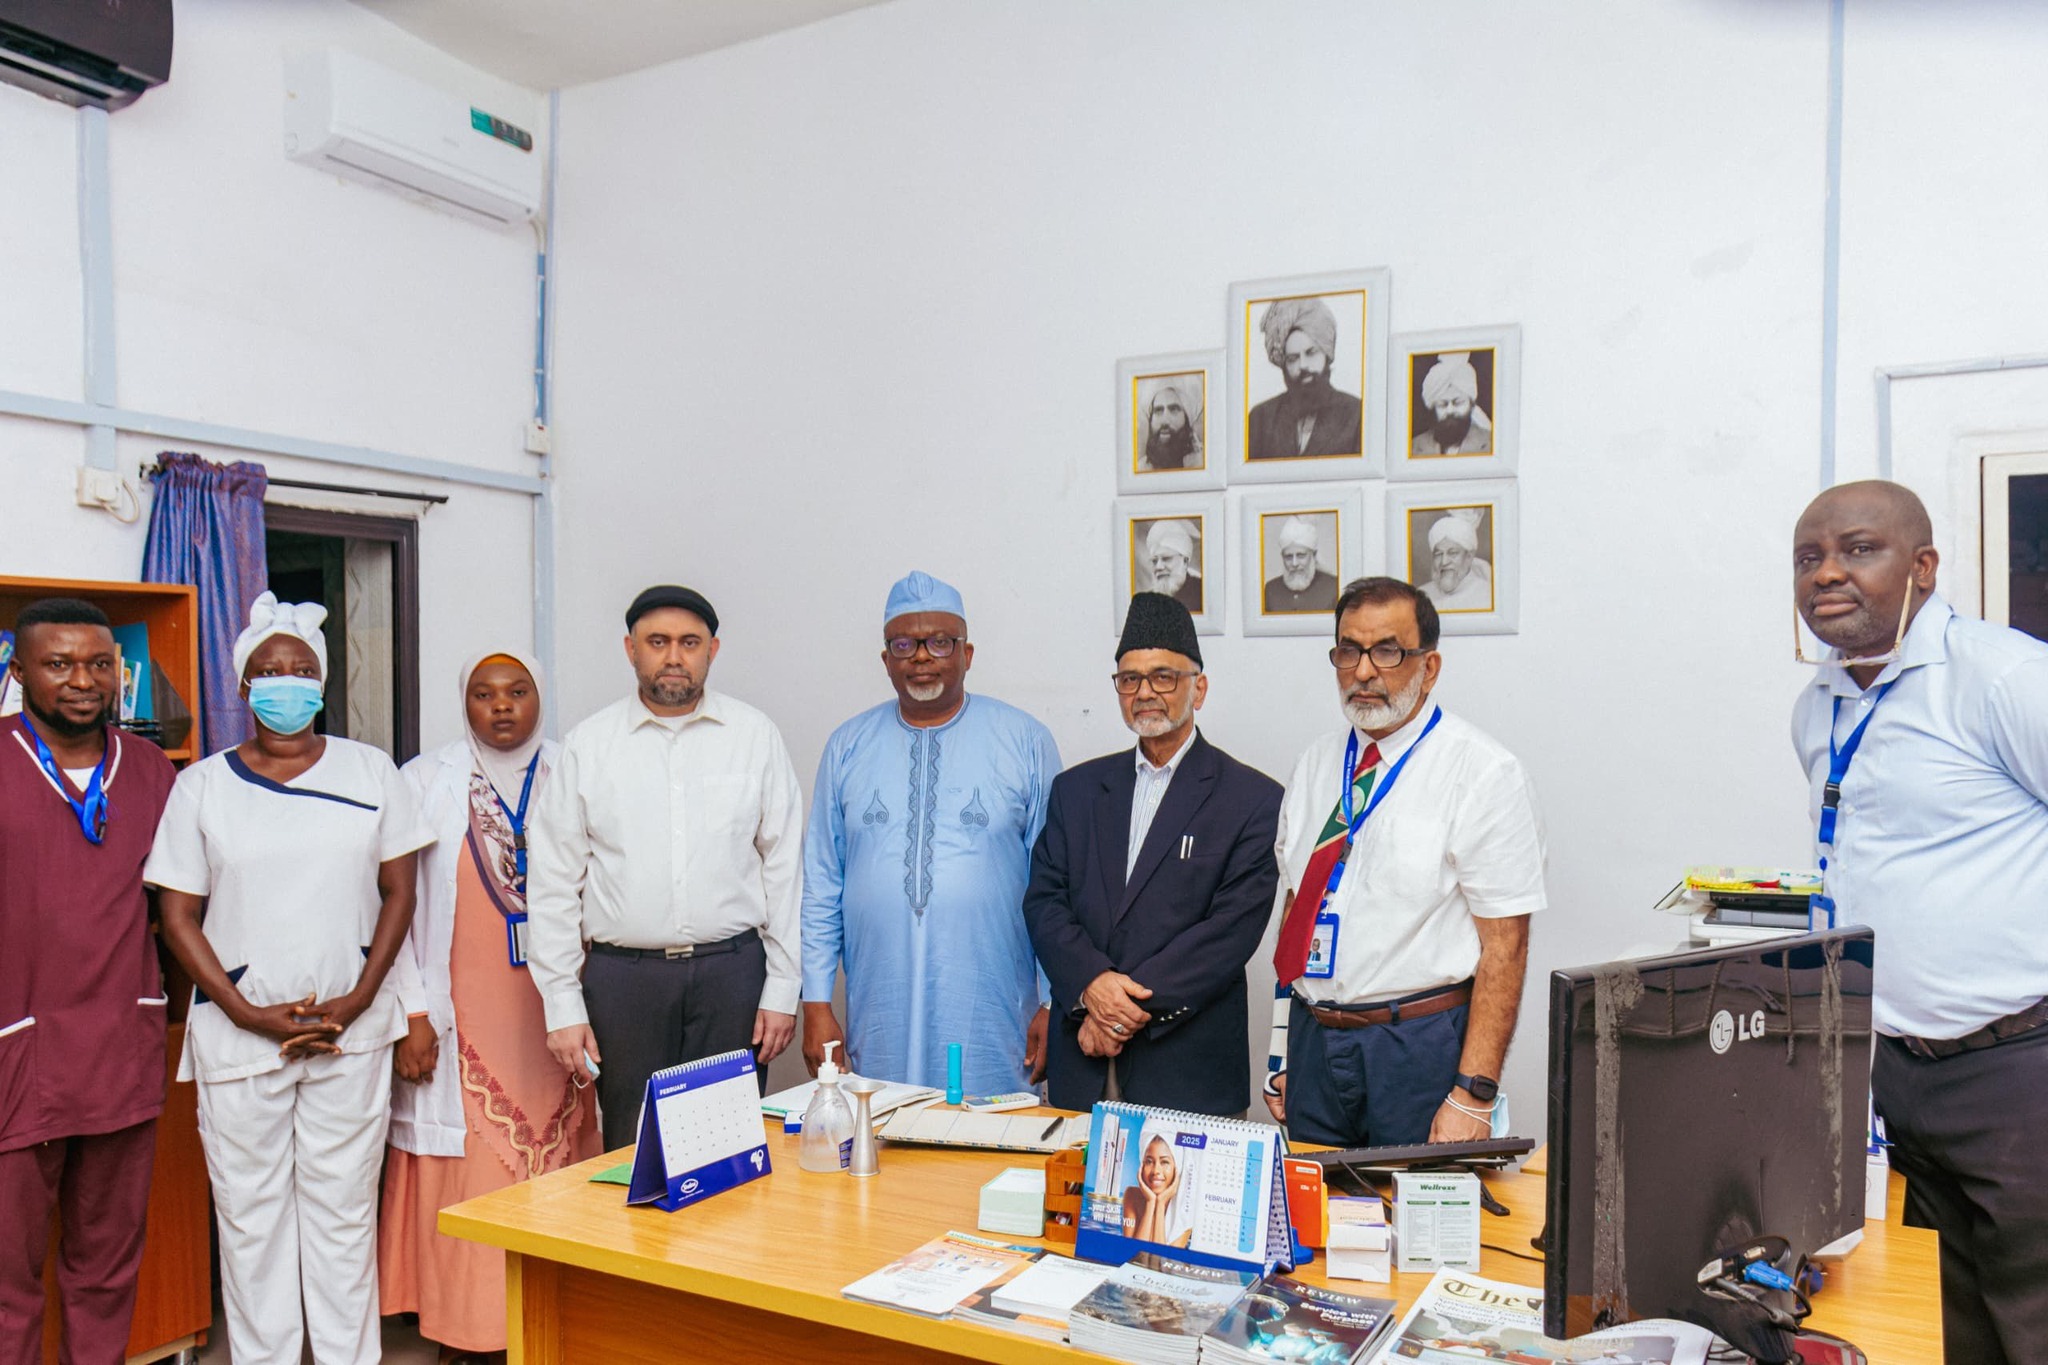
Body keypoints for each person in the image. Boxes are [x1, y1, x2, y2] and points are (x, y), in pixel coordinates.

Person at [1790, 479, 2048, 1365]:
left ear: (1923, 567)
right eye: (1808, 557)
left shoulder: (2001, 675)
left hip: (2019, 1067)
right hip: (1896, 1072)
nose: (1828, 572)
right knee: (1947, 1322)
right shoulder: (1819, 705)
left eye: (1858, 549)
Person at [145, 592, 431, 1365]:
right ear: (242, 687)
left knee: (342, 1216)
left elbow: (400, 892)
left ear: (324, 682)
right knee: (252, 1218)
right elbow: (178, 914)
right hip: (239, 1040)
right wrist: (245, 1010)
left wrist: (361, 999)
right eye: (269, 671)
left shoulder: (372, 771)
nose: (286, 682)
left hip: (352, 1032)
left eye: (302, 670)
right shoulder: (200, 786)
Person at [1266, 577, 1543, 1147]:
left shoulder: (1483, 772)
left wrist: (1473, 1093)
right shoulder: (1316, 765)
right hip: (1316, 1043)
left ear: (1430, 666)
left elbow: (1505, 948)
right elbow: (1296, 913)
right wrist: (1282, 1049)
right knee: (1315, 1225)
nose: (1364, 671)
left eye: (1387, 651)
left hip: (1416, 1049)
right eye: (1348, 650)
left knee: (1418, 1231)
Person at [379, 651, 599, 1363]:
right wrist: (413, 1012)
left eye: (517, 691)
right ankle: (471, 1330)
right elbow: (396, 908)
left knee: (563, 1150)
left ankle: (559, 1318)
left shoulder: (576, 768)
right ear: (464, 702)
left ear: (541, 695)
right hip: (463, 1011)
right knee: (471, 1161)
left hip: (556, 1005)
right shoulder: (423, 779)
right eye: (483, 693)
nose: (501, 706)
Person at [528, 585, 803, 1151]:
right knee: (635, 1153)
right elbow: (554, 882)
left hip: (732, 978)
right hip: (624, 983)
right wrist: (561, 1002)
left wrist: (782, 988)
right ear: (631, 650)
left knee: (727, 1154)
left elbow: (784, 869)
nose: (674, 656)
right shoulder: (591, 745)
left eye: (688, 642)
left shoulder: (754, 738)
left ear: (713, 650)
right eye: (658, 642)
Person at [801, 572, 1062, 1094]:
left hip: (993, 1004)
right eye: (905, 643)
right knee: (880, 1148)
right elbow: (822, 881)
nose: (922, 656)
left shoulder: (1025, 741)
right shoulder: (847, 746)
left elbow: (1057, 886)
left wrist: (1055, 1002)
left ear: (967, 654)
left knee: (987, 1151)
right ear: (885, 660)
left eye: (940, 642)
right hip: (879, 1003)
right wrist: (816, 1002)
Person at [1, 599, 177, 1365]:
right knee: (7, 1274)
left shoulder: (150, 770)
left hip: (119, 1047)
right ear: (18, 671)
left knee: (106, 1263)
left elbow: (183, 908)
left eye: (99, 664)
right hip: (17, 1049)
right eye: (59, 663)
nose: (82, 680)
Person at [1023, 592, 1281, 1115]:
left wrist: (1117, 1013)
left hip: (1187, 1068)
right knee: (1077, 1198)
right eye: (1130, 679)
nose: (1145, 692)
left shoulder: (1251, 799)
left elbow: (1227, 934)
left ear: (1198, 688)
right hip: (1083, 1065)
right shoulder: (1076, 790)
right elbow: (1044, 903)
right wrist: (1091, 987)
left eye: (1164, 676)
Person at [1245, 297, 1362, 460]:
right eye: (1293, 358)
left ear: (1326, 354)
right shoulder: (1260, 419)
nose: (1303, 365)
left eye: (1311, 353)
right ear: (1284, 365)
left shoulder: (1356, 415)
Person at [1120, 1123, 1195, 1248]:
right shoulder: (1132, 1195)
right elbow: (1133, 1255)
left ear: (1177, 1168)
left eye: (1164, 1162)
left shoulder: (1184, 1211)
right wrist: (1151, 1203)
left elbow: (1160, 1261)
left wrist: (1160, 1205)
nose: (1156, 1170)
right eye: (1149, 1161)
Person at [1409, 352, 1493, 456]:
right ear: (1433, 408)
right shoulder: (1413, 447)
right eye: (1442, 405)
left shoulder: (1491, 443)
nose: (1450, 410)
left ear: (1471, 405)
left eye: (1458, 403)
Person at [1262, 516, 1340, 615]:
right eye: (1288, 557)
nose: (1294, 563)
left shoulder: (1334, 587)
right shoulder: (1271, 589)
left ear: (1314, 555)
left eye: (1301, 555)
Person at [1418, 513, 1493, 612]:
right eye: (1438, 554)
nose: (1444, 562)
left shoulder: (1486, 596)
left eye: (1452, 553)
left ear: (1469, 557)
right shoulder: (1421, 595)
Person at [1139, 379, 1203, 471]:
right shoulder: (1141, 469)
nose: (1165, 421)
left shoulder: (1202, 463)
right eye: (1158, 410)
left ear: (1187, 418)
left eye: (1174, 409)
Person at [1143, 519, 1203, 612]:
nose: (1158, 567)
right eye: (1154, 561)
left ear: (1185, 561)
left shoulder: (1201, 592)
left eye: (1166, 558)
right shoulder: (1147, 602)